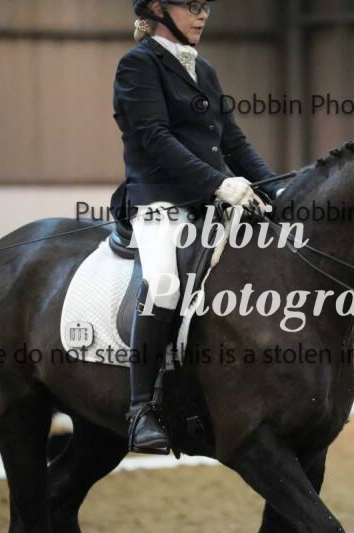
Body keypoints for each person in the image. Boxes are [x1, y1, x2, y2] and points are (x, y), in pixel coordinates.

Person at [113, 0, 282, 454]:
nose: (203, 14)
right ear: (157, 8)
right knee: (164, 283)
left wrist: (279, 191)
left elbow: (234, 142)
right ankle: (141, 409)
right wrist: (220, 183)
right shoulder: (137, 65)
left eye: (206, 5)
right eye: (191, 5)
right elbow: (155, 137)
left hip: (210, 203)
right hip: (157, 200)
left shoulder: (203, 69)